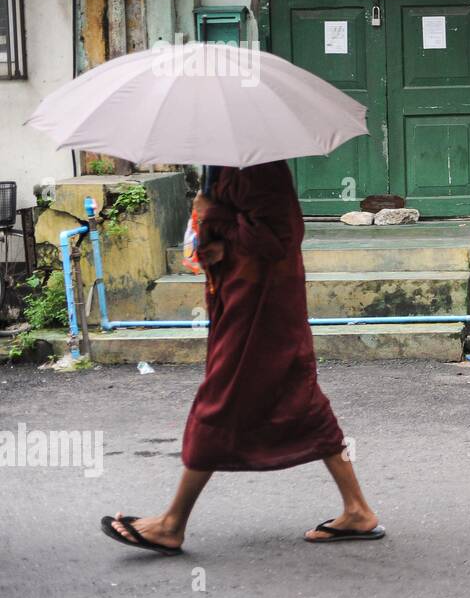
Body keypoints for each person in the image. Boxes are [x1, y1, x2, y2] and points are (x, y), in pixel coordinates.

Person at [100, 160, 384, 555]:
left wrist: (214, 215)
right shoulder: (222, 161)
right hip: (238, 299)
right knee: (298, 399)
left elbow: (278, 237)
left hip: (261, 308)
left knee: (220, 400)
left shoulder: (256, 164)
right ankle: (357, 509)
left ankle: (171, 523)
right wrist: (218, 242)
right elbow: (245, 231)